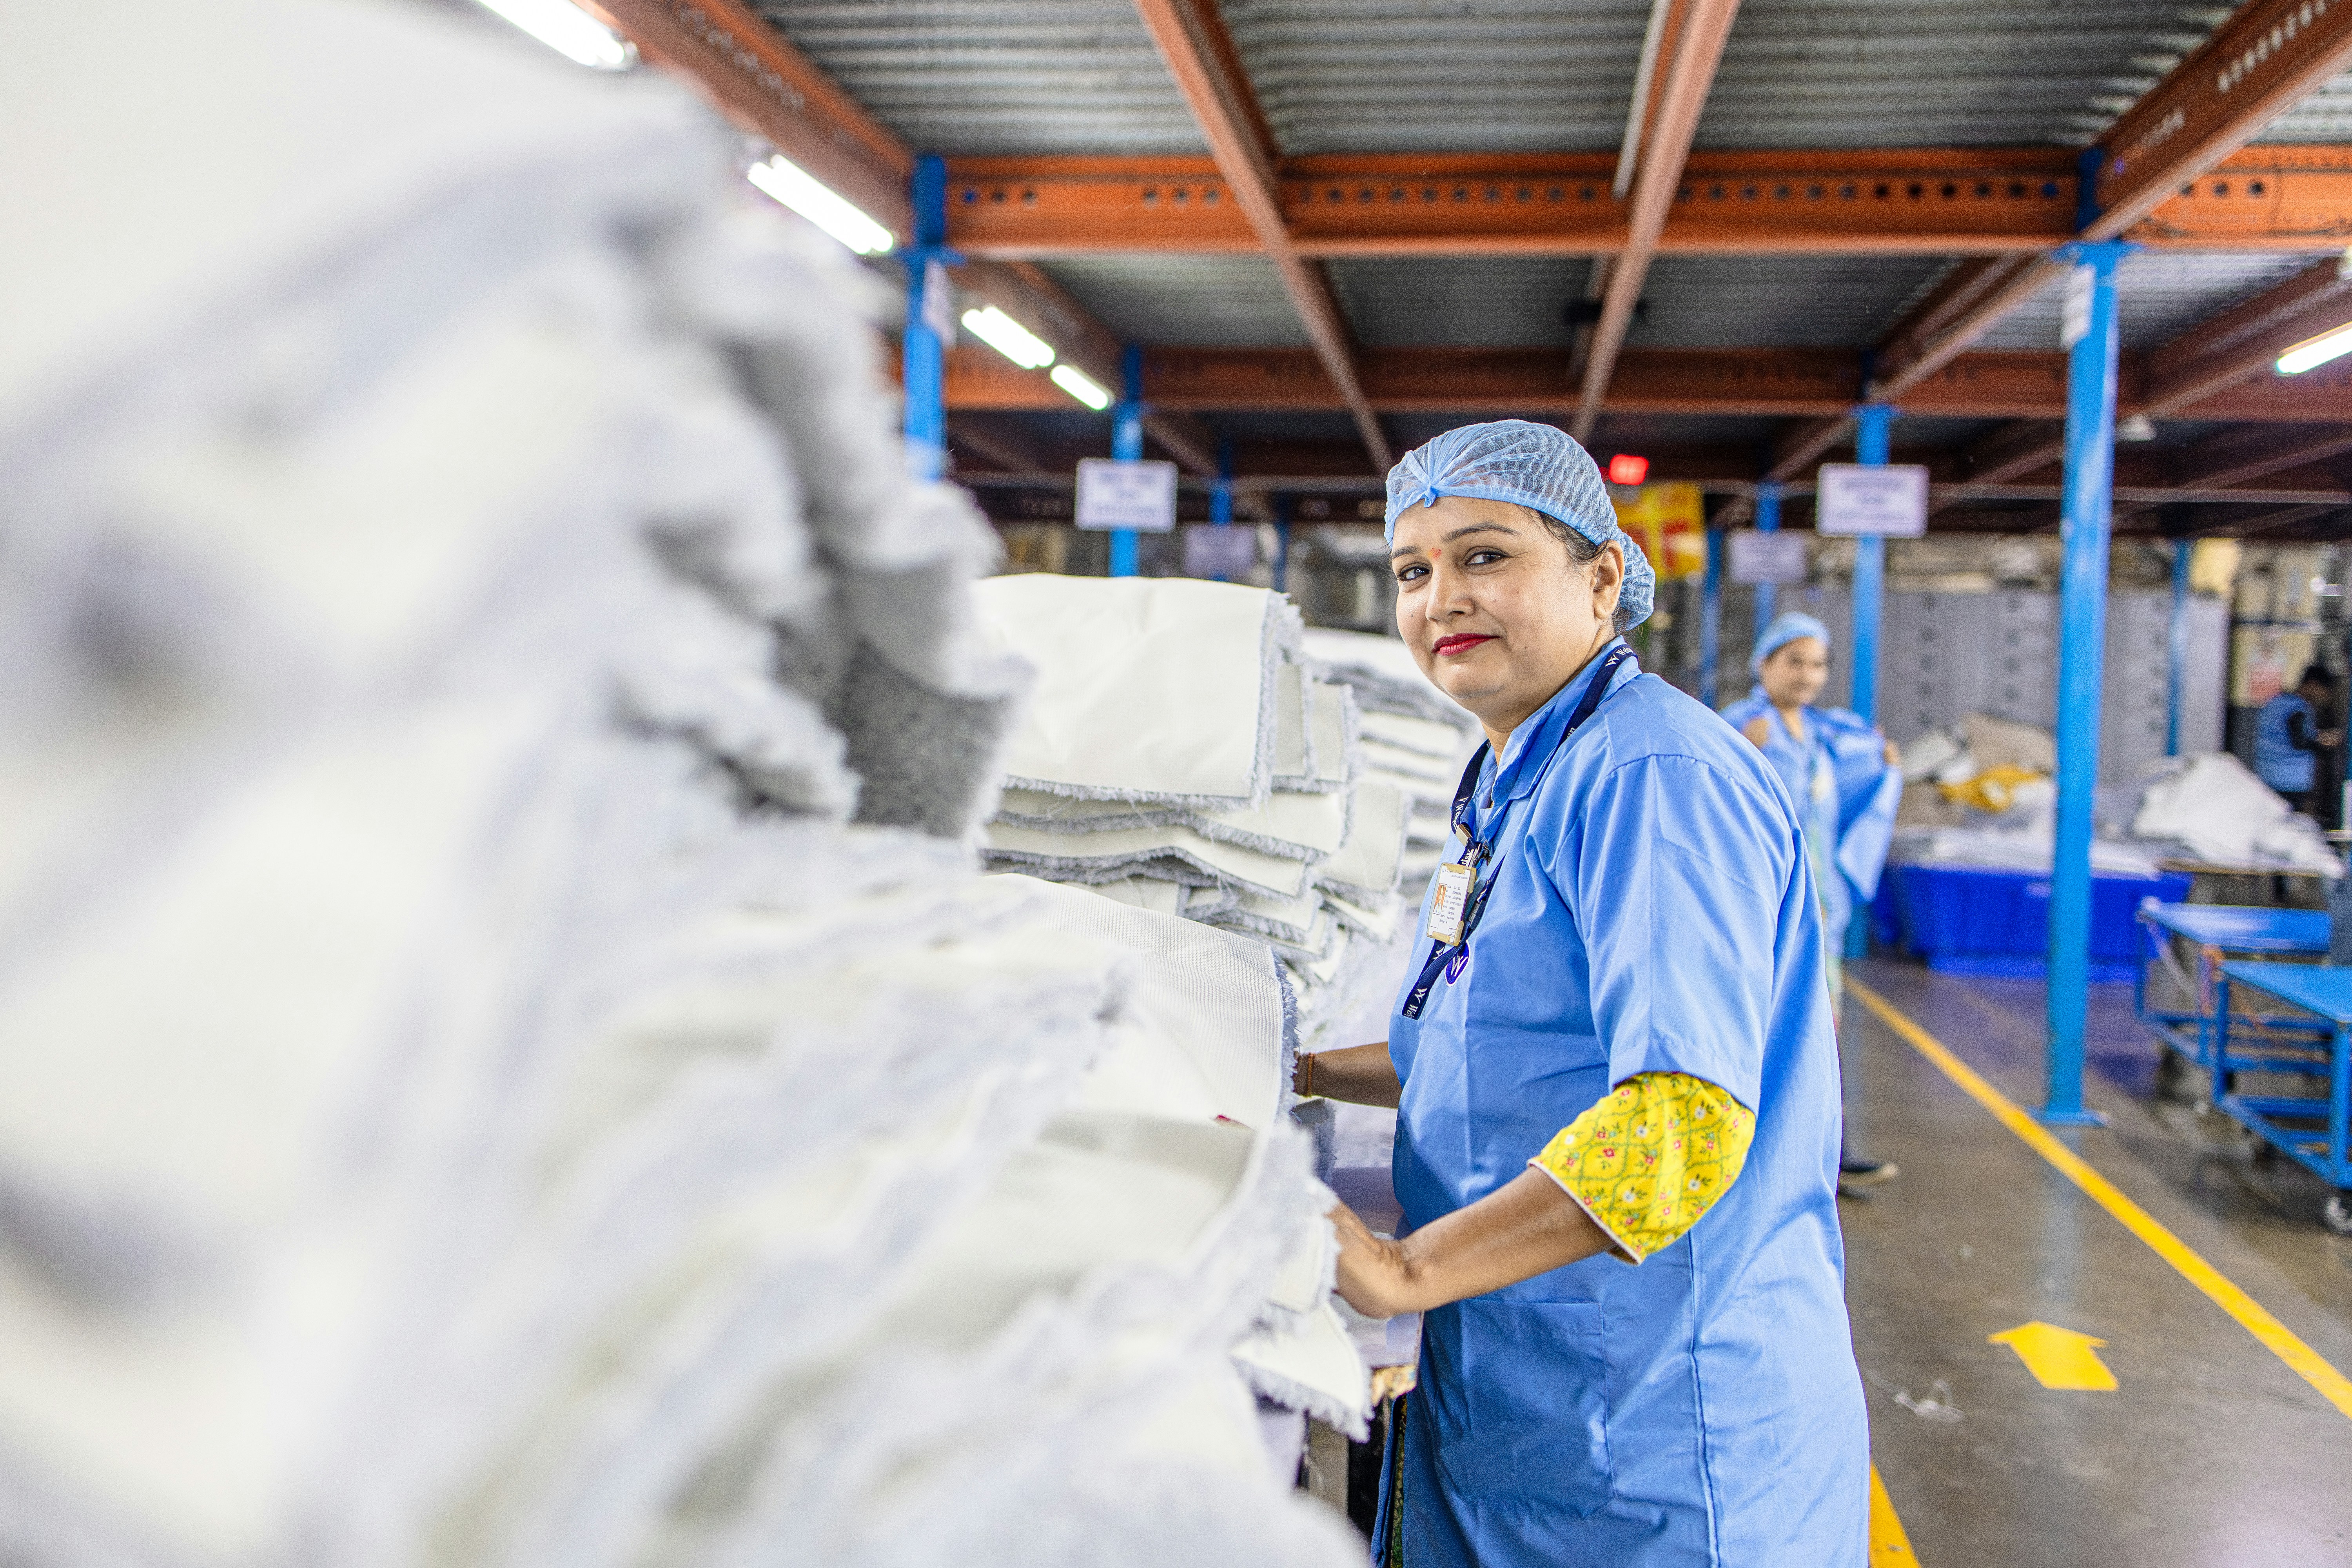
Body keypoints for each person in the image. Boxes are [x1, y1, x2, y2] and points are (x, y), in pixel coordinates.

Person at [1296, 421, 1866, 1567]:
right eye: (1412, 571)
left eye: (1484, 556)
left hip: (1656, 1423)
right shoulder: (1525, 770)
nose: (1439, 596)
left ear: (1601, 575)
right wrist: (1289, 1068)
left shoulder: (1651, 774)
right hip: (1534, 1383)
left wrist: (1400, 1270)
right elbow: (1483, 1046)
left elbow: (1679, 1121)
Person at [1719, 614, 1904, 1195]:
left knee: (1821, 1034)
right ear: (1764, 664)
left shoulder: (1823, 736)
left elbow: (1850, 789)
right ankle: (1757, 1159)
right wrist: (1741, 752)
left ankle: (1826, 1153)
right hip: (1763, 914)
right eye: (1793, 661)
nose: (1807, 676)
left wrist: (1883, 761)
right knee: (1763, 1032)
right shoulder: (1741, 727)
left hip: (1823, 916)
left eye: (1817, 663)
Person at [2255, 666, 2340, 817]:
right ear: (2313, 685)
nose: (2326, 697)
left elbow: (2285, 735)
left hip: (2267, 777)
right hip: (2290, 784)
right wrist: (2325, 743)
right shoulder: (2297, 707)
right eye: (2325, 691)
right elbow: (2299, 741)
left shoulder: (2275, 702)